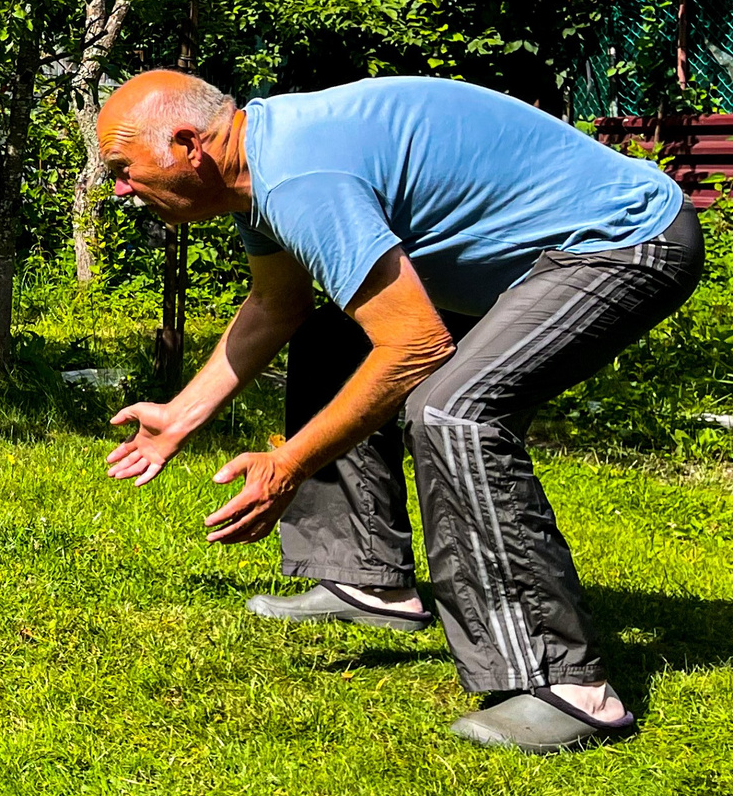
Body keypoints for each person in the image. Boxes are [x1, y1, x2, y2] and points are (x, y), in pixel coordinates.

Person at [96, 70, 702, 753]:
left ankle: (565, 686)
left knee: (455, 410)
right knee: (331, 339)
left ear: (186, 145)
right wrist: (182, 413)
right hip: (547, 259)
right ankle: (367, 581)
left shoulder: (298, 176)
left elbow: (415, 346)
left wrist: (289, 464)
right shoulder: (259, 171)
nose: (120, 187)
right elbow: (278, 305)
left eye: (123, 167)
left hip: (621, 242)